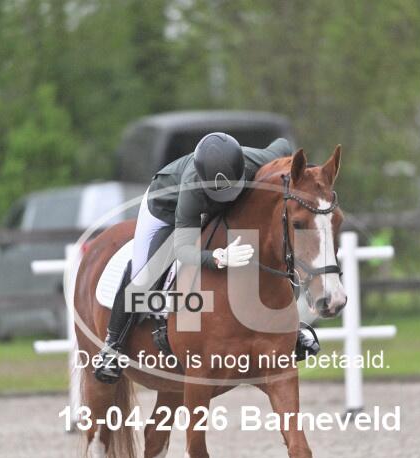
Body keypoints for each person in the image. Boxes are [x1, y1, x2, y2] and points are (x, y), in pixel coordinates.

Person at [94, 132, 319, 383]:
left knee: (275, 250)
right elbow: (182, 249)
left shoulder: (256, 160)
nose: (229, 195)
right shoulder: (190, 192)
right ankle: (112, 346)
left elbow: (284, 146)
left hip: (216, 203)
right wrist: (218, 257)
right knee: (144, 273)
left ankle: (292, 329)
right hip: (166, 209)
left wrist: (305, 175)